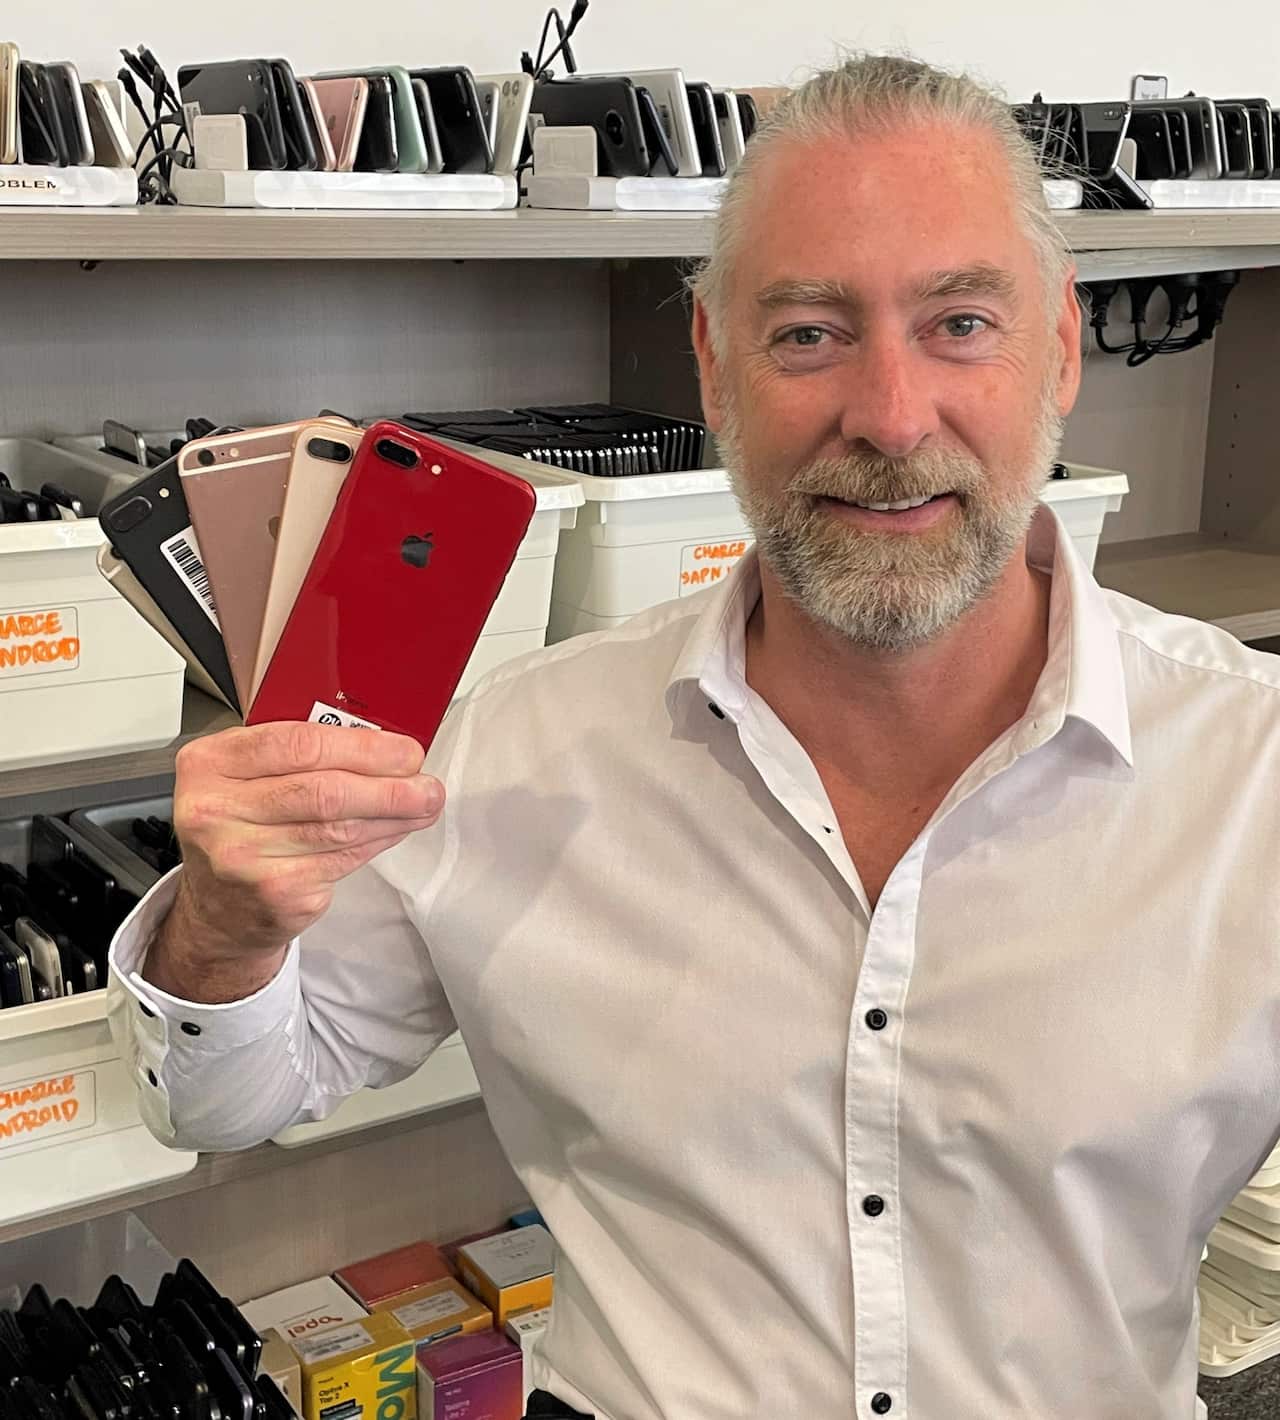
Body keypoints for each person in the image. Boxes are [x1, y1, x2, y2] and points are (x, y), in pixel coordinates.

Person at [107, 53, 1280, 1420]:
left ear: (1062, 351)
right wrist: (226, 934)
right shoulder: (515, 754)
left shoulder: (1251, 774)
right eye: (807, 334)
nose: (891, 418)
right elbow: (225, 1100)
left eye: (960, 324)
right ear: (716, 372)